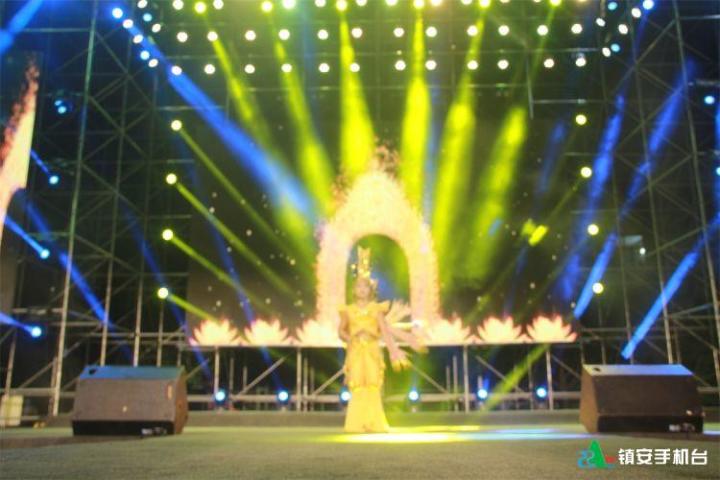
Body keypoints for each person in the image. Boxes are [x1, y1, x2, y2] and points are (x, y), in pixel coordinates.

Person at [338, 254, 425, 433]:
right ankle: (356, 424)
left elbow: (385, 330)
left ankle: (373, 423)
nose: (362, 290)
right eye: (358, 286)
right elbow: (341, 331)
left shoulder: (376, 309)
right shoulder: (348, 310)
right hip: (356, 350)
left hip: (371, 349)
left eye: (365, 287)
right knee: (357, 384)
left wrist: (394, 350)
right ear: (354, 290)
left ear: (370, 290)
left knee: (372, 383)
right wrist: (349, 338)